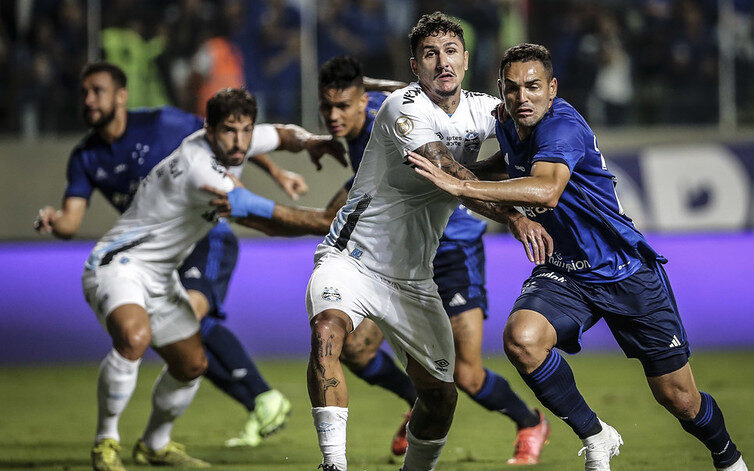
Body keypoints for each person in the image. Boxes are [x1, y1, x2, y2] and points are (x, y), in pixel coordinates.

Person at [408, 43, 748, 471]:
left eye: (533, 87)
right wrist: (461, 171)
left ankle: (728, 457)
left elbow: (547, 189)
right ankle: (595, 434)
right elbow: (510, 165)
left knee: (678, 398)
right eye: (511, 89)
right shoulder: (511, 124)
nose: (522, 97)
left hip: (623, 269)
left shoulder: (562, 126)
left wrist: (464, 188)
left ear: (552, 88)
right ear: (501, 90)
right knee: (522, 339)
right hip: (566, 269)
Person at [33, 63, 346, 468]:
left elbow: (281, 134)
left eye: (245, 131)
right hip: (116, 264)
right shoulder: (201, 168)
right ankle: (105, 441)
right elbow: (262, 218)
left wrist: (311, 141)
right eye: (229, 132)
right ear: (209, 131)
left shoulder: (237, 139)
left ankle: (154, 444)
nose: (239, 142)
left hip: (160, 275)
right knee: (134, 337)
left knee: (191, 363)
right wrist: (325, 221)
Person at [248, 54, 550, 463]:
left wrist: (257, 212)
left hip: (455, 244)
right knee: (355, 351)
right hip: (398, 258)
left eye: (342, 106)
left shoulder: (390, 119)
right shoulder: (365, 129)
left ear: (362, 103)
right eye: (326, 106)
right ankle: (416, 403)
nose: (333, 116)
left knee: (466, 374)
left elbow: (422, 104)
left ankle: (529, 422)